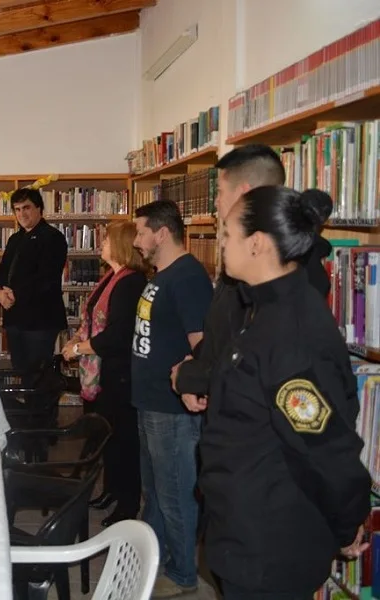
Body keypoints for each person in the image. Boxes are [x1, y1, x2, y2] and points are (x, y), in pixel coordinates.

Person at [197, 185, 371, 599]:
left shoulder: (291, 333)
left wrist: (348, 522)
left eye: (227, 234)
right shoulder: (261, 309)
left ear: (256, 244)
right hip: (242, 528)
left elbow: (325, 447)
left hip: (269, 545)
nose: (220, 243)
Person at [172, 144, 331, 406]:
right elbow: (223, 336)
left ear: (244, 194)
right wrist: (197, 376)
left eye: (220, 192)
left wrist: (192, 377)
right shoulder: (243, 261)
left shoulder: (291, 273)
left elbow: (256, 362)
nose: (216, 202)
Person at [130, 200, 213, 598]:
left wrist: (193, 384)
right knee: (157, 491)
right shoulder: (161, 274)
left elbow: (203, 346)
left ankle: (183, 574)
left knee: (176, 492)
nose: (135, 241)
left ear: (162, 233)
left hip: (172, 408)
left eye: (141, 231)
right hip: (150, 401)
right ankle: (155, 559)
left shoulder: (188, 277)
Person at [61, 220, 148, 527]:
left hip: (117, 374)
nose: (101, 243)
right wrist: (77, 340)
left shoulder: (130, 282)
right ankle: (111, 490)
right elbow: (92, 318)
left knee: (123, 441)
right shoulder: (111, 277)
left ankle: (126, 504)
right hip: (101, 373)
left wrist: (80, 349)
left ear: (122, 244)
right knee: (107, 438)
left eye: (107, 239)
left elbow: (118, 335)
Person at [0, 188, 68, 373]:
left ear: (39, 208)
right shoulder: (15, 239)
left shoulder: (53, 238)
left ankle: (42, 404)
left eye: (26, 207)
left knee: (39, 377)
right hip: (14, 319)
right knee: (22, 372)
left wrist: (14, 295)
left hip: (40, 321)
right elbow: (1, 272)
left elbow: (46, 279)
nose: (21, 214)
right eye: (17, 209)